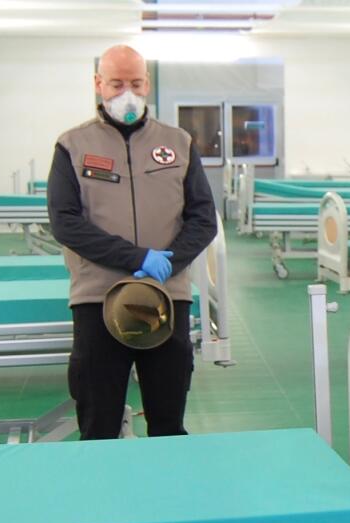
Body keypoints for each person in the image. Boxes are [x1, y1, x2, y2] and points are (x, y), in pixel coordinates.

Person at [47, 44, 216, 439]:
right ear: (98, 84)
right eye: (117, 83)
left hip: (165, 296)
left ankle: (169, 496)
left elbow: (203, 218)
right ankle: (104, 498)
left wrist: (168, 262)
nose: (128, 93)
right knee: (98, 421)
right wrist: (135, 257)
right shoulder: (72, 146)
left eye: (136, 83)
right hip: (98, 299)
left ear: (148, 84)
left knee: (168, 420)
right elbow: (66, 222)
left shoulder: (178, 143)